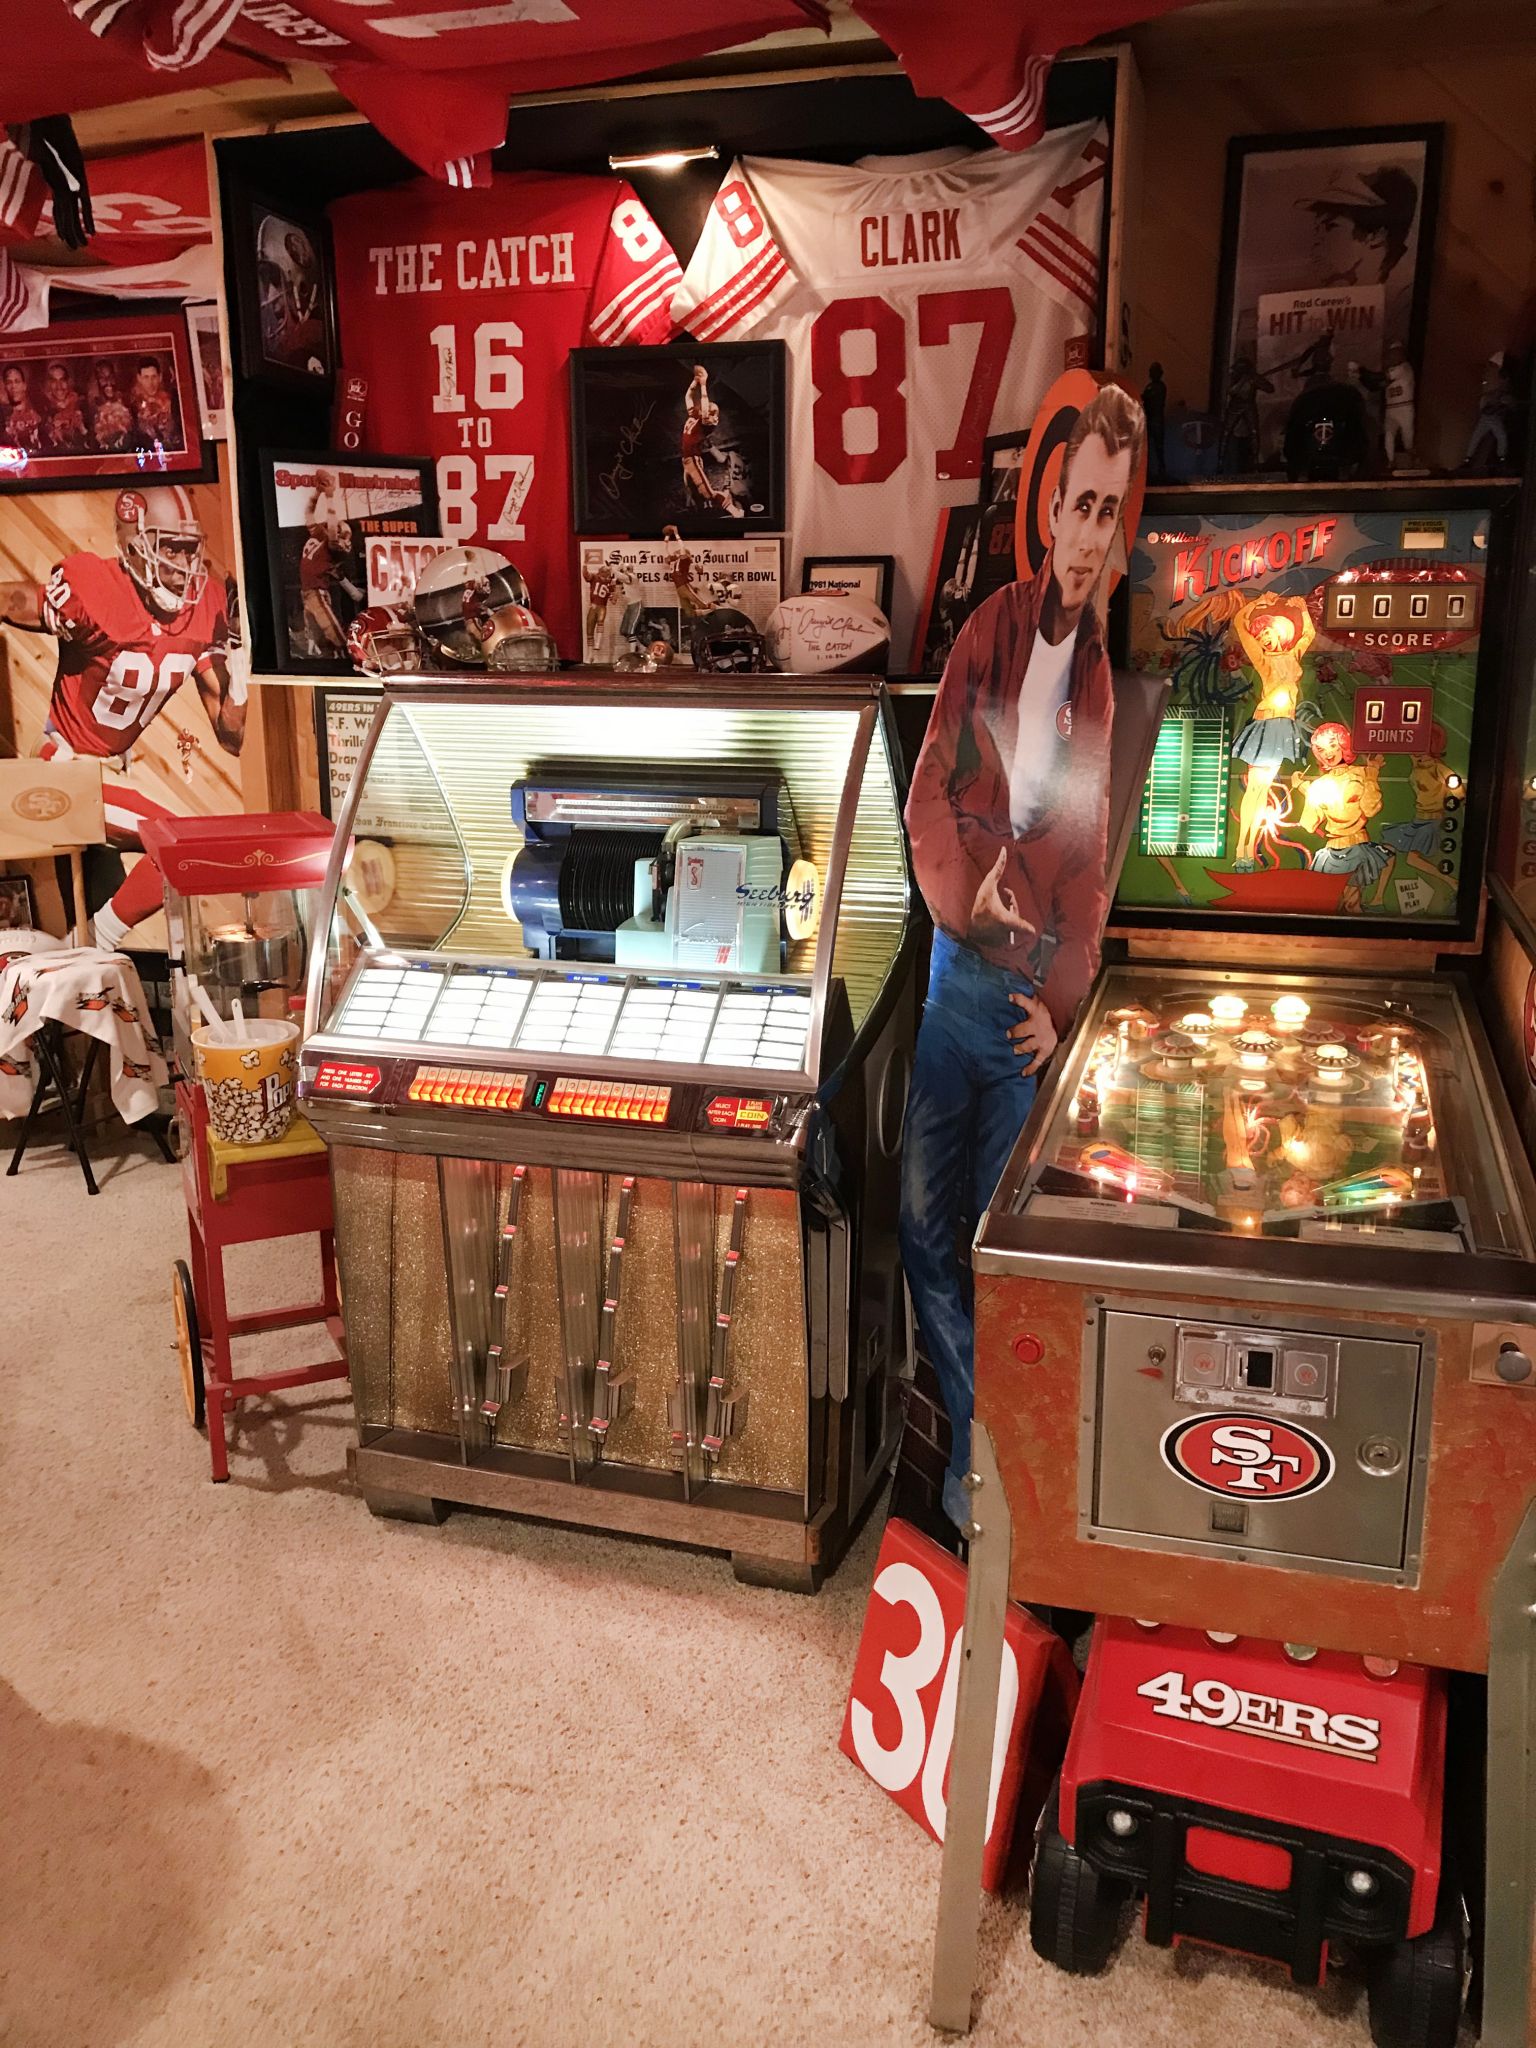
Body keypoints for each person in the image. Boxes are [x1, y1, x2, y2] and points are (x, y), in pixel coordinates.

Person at [902, 381, 1144, 1531]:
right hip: (954, 981)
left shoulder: (1097, 676)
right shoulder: (989, 628)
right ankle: (987, 1447)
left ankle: (984, 1480)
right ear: (1049, 507)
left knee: (1002, 1257)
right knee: (916, 1228)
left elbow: (1090, 868)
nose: (1091, 532)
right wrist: (964, 903)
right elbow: (926, 800)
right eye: (1079, 503)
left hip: (1018, 1015)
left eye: (1112, 509)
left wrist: (1059, 1001)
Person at [0, 484, 244, 948]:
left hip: (110, 775)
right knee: (178, 844)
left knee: (151, 864)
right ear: (134, 545)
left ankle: (87, 948)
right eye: (168, 546)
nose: (181, 563)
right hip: (66, 766)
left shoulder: (204, 608)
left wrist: (243, 662)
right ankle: (96, 941)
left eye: (189, 549)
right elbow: (13, 602)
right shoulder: (96, 589)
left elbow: (232, 734)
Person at [1298, 721, 1387, 912]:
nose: (1328, 753)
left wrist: (1372, 774)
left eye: (1332, 745)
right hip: (1332, 851)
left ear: (1343, 745)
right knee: (1333, 905)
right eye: (1321, 749)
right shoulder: (1320, 784)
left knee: (1351, 903)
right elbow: (1309, 823)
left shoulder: (1361, 774)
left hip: (1356, 846)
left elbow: (1371, 808)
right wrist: (1306, 790)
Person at [41, 361, 89, 453]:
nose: (59, 386)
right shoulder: (44, 410)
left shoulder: (82, 405)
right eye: (54, 381)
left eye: (62, 380)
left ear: (68, 382)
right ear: (48, 384)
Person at [90, 359, 132, 452]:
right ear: (97, 381)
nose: (108, 383)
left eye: (110, 377)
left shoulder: (126, 403)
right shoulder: (93, 410)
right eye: (103, 378)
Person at [1, 363, 44, 453]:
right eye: (9, 382)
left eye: (17, 381)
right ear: (5, 387)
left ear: (24, 385)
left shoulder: (39, 412)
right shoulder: (3, 415)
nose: (13, 387)